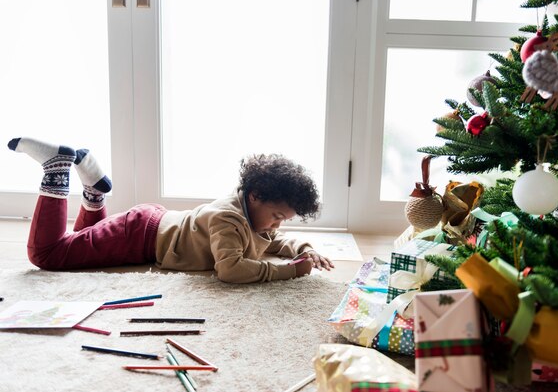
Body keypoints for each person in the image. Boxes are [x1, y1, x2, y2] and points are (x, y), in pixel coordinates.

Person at [7, 137, 334, 283]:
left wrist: (305, 249)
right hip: (137, 237)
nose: (277, 226)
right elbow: (231, 270)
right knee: (49, 256)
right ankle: (56, 168)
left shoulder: (253, 215)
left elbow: (269, 242)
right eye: (277, 216)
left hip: (147, 227)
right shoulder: (228, 218)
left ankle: (94, 191)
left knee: (81, 245)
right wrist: (287, 271)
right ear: (256, 196)